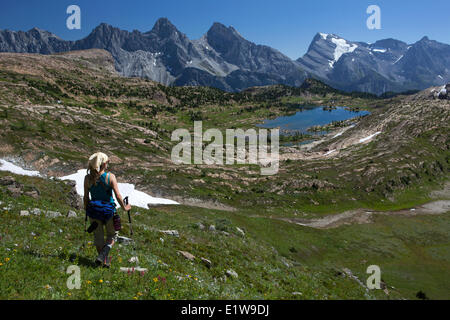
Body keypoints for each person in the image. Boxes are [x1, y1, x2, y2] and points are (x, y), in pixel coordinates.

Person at [83, 152, 131, 267]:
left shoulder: (87, 178)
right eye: (107, 161)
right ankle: (104, 256)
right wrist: (125, 207)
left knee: (98, 237)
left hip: (94, 211)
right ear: (103, 164)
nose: (108, 163)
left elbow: (86, 197)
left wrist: (87, 209)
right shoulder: (110, 177)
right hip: (108, 211)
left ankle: (103, 260)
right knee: (112, 235)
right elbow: (118, 196)